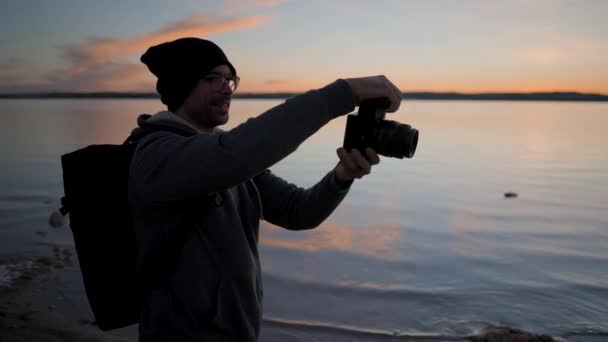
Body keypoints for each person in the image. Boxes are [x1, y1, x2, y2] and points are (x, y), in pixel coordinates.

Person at [129, 37, 402, 342]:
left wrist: (341, 176)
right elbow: (238, 151)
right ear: (181, 85)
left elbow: (299, 211)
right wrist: (344, 93)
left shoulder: (225, 160)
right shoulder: (158, 154)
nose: (226, 88)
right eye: (212, 78)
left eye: (229, 79)